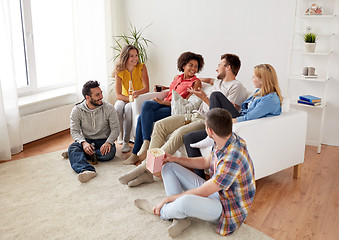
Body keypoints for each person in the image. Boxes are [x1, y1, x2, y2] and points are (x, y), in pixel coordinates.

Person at [119, 53, 248, 186]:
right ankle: (149, 172)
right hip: (193, 114)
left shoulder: (236, 87)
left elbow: (225, 115)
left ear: (228, 68)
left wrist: (204, 98)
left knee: (179, 133)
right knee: (159, 126)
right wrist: (190, 77)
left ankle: (145, 167)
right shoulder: (217, 82)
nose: (216, 68)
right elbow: (208, 80)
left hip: (205, 120)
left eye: (219, 65)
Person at [134, 108, 256, 237]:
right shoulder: (225, 139)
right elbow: (205, 161)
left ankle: (160, 211)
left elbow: (202, 192)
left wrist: (167, 199)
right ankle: (178, 218)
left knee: (185, 201)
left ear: (210, 131)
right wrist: (174, 159)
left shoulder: (232, 159)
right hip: (218, 192)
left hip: (227, 207)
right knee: (169, 167)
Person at [184, 63, 283, 177]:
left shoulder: (270, 99)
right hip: (239, 118)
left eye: (254, 76)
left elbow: (247, 118)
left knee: (215, 95)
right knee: (188, 138)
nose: (252, 79)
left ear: (263, 79)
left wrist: (228, 121)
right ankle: (200, 178)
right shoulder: (259, 92)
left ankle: (211, 133)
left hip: (242, 124)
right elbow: (244, 110)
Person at [123, 51, 204, 165]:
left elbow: (186, 103)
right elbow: (173, 89)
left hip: (174, 109)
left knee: (142, 117)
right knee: (146, 105)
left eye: (196, 66)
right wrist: (163, 88)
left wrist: (162, 102)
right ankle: (144, 143)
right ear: (183, 65)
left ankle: (137, 151)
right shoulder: (178, 78)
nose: (194, 68)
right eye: (191, 65)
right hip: (165, 102)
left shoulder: (196, 82)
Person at [67, 80, 120, 183]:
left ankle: (78, 154)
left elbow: (115, 129)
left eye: (101, 93)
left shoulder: (109, 108)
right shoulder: (77, 110)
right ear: (88, 97)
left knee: (110, 153)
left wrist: (108, 142)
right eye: (97, 95)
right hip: (86, 140)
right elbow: (74, 131)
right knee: (72, 147)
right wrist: (83, 143)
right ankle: (86, 169)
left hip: (103, 141)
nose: (101, 97)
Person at [113, 45, 150, 153]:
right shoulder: (119, 71)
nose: (135, 58)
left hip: (137, 98)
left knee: (129, 108)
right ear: (125, 57)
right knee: (118, 107)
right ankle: (118, 136)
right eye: (131, 56)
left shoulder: (142, 67)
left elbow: (146, 88)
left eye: (136, 55)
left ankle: (125, 141)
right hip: (125, 98)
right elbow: (118, 95)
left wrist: (136, 93)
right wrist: (129, 98)